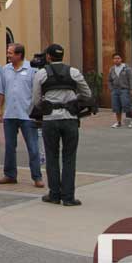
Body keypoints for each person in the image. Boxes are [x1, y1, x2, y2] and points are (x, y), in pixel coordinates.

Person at [31, 43, 93, 206]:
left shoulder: (41, 74)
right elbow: (87, 93)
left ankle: (54, 194)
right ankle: (68, 197)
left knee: (52, 157)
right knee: (69, 158)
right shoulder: (74, 72)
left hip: (50, 120)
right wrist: (72, 99)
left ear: (49, 57)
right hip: (70, 119)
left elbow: (36, 100)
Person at [0, 43, 44, 187]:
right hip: (10, 114)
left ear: (19, 55)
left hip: (27, 115)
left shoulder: (32, 70)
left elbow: (38, 92)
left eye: (10, 53)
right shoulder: (5, 70)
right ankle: (10, 174)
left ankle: (37, 176)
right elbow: (1, 90)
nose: (8, 55)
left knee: (33, 147)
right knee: (10, 146)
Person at [109, 52, 132, 128]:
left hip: (125, 89)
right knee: (116, 106)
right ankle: (118, 122)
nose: (116, 60)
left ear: (121, 59)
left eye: (118, 58)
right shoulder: (112, 69)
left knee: (126, 105)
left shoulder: (127, 68)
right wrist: (111, 89)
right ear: (113, 60)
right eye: (115, 58)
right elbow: (110, 80)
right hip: (115, 90)